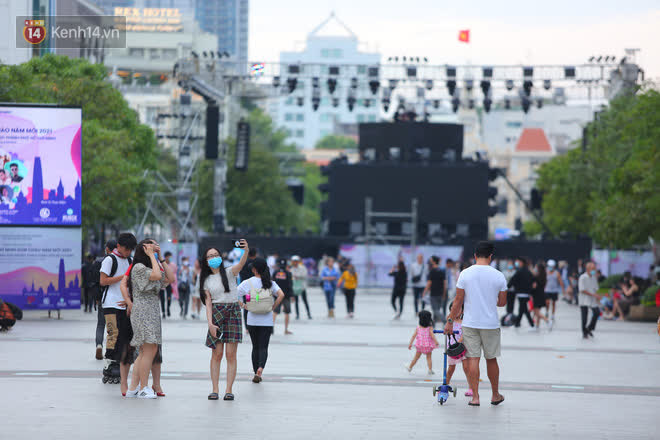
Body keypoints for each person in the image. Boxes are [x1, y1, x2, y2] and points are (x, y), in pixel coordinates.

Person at [444, 241, 507, 407]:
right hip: (490, 324)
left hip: (470, 323)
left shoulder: (465, 274)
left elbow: (458, 301)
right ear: (491, 256)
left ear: (475, 255)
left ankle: (475, 397)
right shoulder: (499, 275)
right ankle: (495, 395)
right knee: (491, 359)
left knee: (473, 358)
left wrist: (450, 321)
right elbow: (502, 303)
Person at [125, 239, 174, 398]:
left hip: (151, 311)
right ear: (144, 249)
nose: (155, 247)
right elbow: (155, 275)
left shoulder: (151, 266)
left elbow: (170, 279)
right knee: (149, 349)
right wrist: (152, 255)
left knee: (145, 351)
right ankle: (143, 388)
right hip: (143, 311)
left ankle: (133, 387)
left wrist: (160, 258)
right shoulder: (138, 267)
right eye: (152, 245)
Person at [201, 241, 250, 401]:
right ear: (205, 260)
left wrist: (246, 250)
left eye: (215, 255)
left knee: (231, 354)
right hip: (216, 313)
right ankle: (214, 389)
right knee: (217, 354)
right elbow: (208, 303)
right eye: (210, 256)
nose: (213, 257)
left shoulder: (230, 272)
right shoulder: (205, 280)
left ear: (220, 257)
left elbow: (241, 263)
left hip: (233, 311)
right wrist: (210, 323)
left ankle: (229, 390)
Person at [99, 233, 137, 391]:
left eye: (130, 250)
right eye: (126, 249)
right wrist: (123, 277)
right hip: (110, 303)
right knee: (113, 333)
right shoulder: (109, 260)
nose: (128, 252)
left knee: (125, 336)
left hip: (124, 303)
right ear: (119, 246)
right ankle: (109, 363)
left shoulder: (130, 260)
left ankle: (120, 363)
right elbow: (103, 281)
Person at [237, 258, 284, 383]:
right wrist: (273, 307)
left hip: (252, 319)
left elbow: (234, 294)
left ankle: (254, 371)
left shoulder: (248, 282)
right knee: (264, 347)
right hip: (267, 320)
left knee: (255, 347)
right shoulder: (270, 283)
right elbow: (281, 295)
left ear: (254, 269)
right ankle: (260, 369)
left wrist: (243, 305)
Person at [93, 240, 116, 360]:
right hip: (115, 298)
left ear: (107, 249)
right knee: (114, 326)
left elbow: (95, 283)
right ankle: (112, 350)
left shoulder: (98, 262)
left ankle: (99, 345)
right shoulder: (120, 261)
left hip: (102, 297)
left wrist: (96, 298)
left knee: (101, 324)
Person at [444, 304, 472, 397]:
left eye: (458, 309)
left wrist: (460, 342)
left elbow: (465, 334)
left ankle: (471, 387)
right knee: (451, 368)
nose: (455, 311)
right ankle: (445, 385)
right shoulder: (449, 321)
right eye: (453, 310)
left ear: (462, 311)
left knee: (466, 368)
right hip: (452, 348)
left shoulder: (464, 322)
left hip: (462, 348)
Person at [404, 310, 439, 375]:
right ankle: (430, 370)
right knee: (429, 357)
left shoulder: (418, 327)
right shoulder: (430, 327)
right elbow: (432, 335)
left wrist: (410, 344)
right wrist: (436, 342)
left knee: (416, 357)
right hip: (427, 345)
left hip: (420, 345)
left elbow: (413, 336)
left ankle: (410, 367)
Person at [508, 257, 535, 329]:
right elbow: (533, 280)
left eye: (518, 262)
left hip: (521, 293)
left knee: (523, 309)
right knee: (523, 309)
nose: (517, 263)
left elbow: (512, 280)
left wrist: (506, 287)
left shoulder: (519, 271)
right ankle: (518, 324)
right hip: (526, 293)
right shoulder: (528, 271)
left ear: (521, 263)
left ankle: (532, 325)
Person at [578, 262, 601, 339]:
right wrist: (593, 295)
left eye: (594, 268)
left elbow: (596, 288)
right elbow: (582, 290)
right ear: (588, 269)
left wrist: (597, 296)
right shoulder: (582, 277)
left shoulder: (594, 277)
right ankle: (584, 332)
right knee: (584, 317)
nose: (594, 270)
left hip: (592, 299)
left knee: (597, 312)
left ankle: (589, 328)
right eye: (593, 268)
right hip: (584, 299)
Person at [422, 256, 447, 324]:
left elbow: (429, 283)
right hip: (441, 293)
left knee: (435, 310)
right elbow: (445, 283)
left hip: (434, 293)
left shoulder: (432, 271)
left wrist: (424, 292)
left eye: (431, 260)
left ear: (433, 261)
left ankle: (444, 320)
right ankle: (433, 324)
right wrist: (444, 293)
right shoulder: (442, 271)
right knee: (437, 310)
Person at [272, 258, 294, 335]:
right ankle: (286, 329)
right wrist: (292, 295)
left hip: (277, 295)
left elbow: (272, 283)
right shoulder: (288, 273)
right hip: (286, 296)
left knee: (275, 312)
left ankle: (271, 328)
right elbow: (290, 285)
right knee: (287, 312)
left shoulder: (275, 273)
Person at [291, 256, 312, 320]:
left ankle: (309, 314)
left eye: (296, 261)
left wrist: (297, 276)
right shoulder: (291, 269)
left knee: (305, 301)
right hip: (295, 287)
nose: (295, 262)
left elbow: (305, 275)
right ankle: (297, 315)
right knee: (296, 301)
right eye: (294, 261)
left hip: (302, 287)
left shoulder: (302, 268)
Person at [545, 259, 565, 324]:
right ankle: (547, 311)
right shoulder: (546, 272)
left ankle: (553, 315)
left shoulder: (557, 273)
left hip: (554, 290)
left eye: (552, 266)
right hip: (547, 290)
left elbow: (560, 281)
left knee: (553, 303)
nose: (551, 267)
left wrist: (563, 290)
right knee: (547, 302)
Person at [532, 262, 549, 331]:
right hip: (542, 294)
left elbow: (534, 286)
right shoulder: (544, 276)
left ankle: (547, 321)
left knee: (536, 312)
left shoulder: (536, 277)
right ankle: (537, 326)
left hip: (536, 295)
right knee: (538, 310)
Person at [159, 252, 174, 318]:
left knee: (169, 297)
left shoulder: (173, 265)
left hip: (169, 283)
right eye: (169, 257)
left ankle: (168, 308)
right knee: (162, 298)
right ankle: (163, 311)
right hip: (162, 283)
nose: (170, 258)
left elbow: (174, 274)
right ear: (166, 257)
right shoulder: (161, 264)